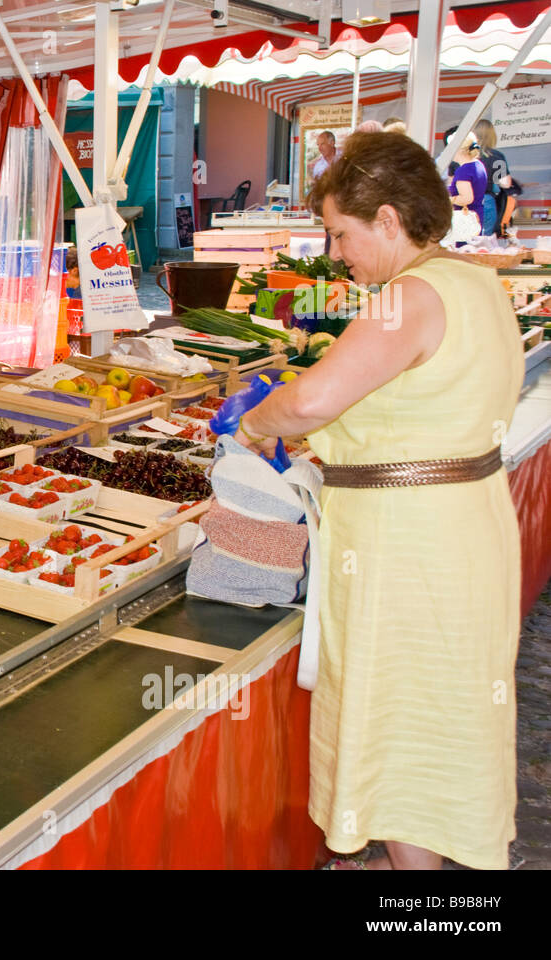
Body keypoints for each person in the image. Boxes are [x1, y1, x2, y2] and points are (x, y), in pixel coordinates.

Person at [233, 131, 521, 870]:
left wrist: (257, 420)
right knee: (431, 727)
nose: (336, 252)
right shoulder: (476, 282)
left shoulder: (411, 295)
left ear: (388, 220)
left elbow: (316, 399)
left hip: (409, 549)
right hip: (464, 530)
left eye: (340, 232)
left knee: (401, 722)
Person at [472, 119, 514, 236]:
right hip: (486, 201)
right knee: (483, 243)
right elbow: (505, 183)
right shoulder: (495, 156)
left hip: (463, 202)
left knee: (463, 242)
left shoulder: (463, 155)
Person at [447, 128, 488, 229]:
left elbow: (467, 198)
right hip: (476, 216)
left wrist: (446, 199)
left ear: (459, 150)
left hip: (465, 221)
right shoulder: (478, 165)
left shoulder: (464, 170)